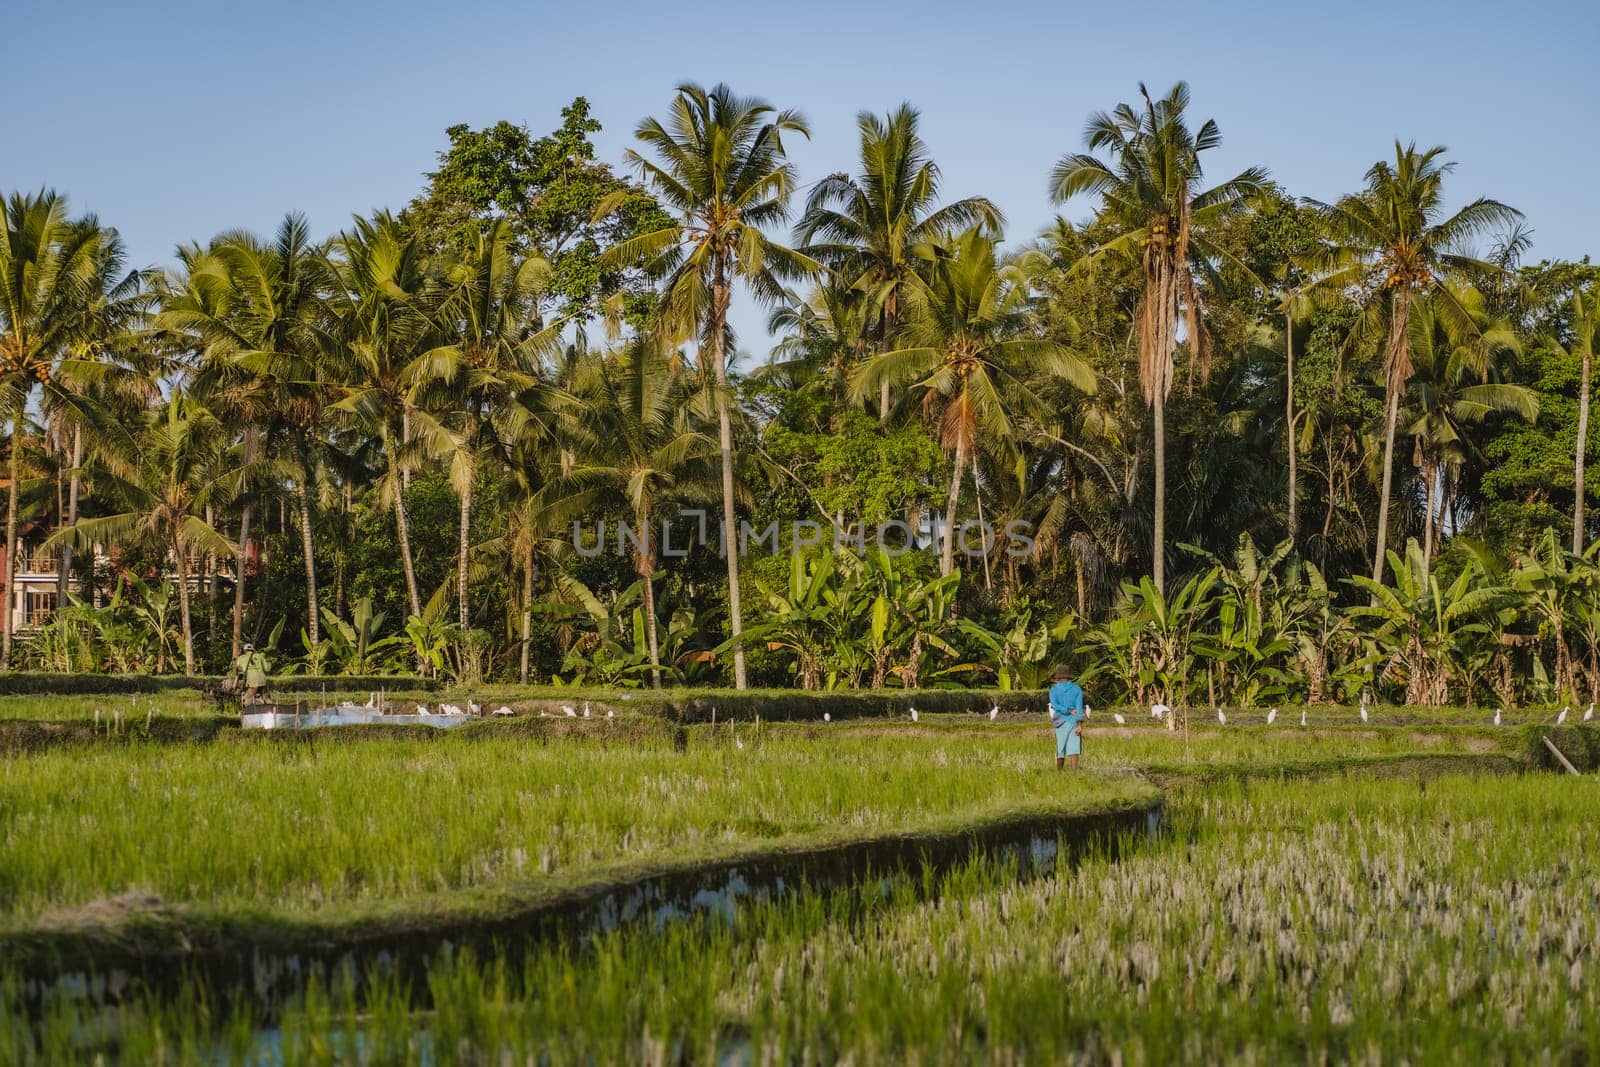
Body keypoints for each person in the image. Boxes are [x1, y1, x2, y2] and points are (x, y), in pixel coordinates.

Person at [1047, 665, 1086, 771]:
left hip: (1060, 722)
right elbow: (1079, 708)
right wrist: (1079, 725)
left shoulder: (1053, 690)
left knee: (1061, 748)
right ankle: (1074, 773)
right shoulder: (1076, 689)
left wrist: (1067, 710)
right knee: (1074, 748)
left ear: (1058, 678)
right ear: (1069, 677)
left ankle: (1060, 774)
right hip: (1073, 722)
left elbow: (1055, 705)